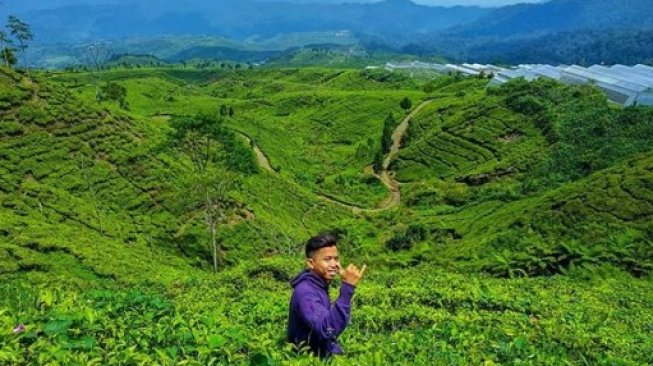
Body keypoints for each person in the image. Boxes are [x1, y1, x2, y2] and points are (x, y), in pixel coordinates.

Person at [287, 233, 366, 359]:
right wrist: (347, 288)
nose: (334, 264)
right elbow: (328, 330)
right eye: (327, 259)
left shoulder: (318, 285)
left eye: (336, 259)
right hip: (307, 360)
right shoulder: (306, 293)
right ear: (311, 263)